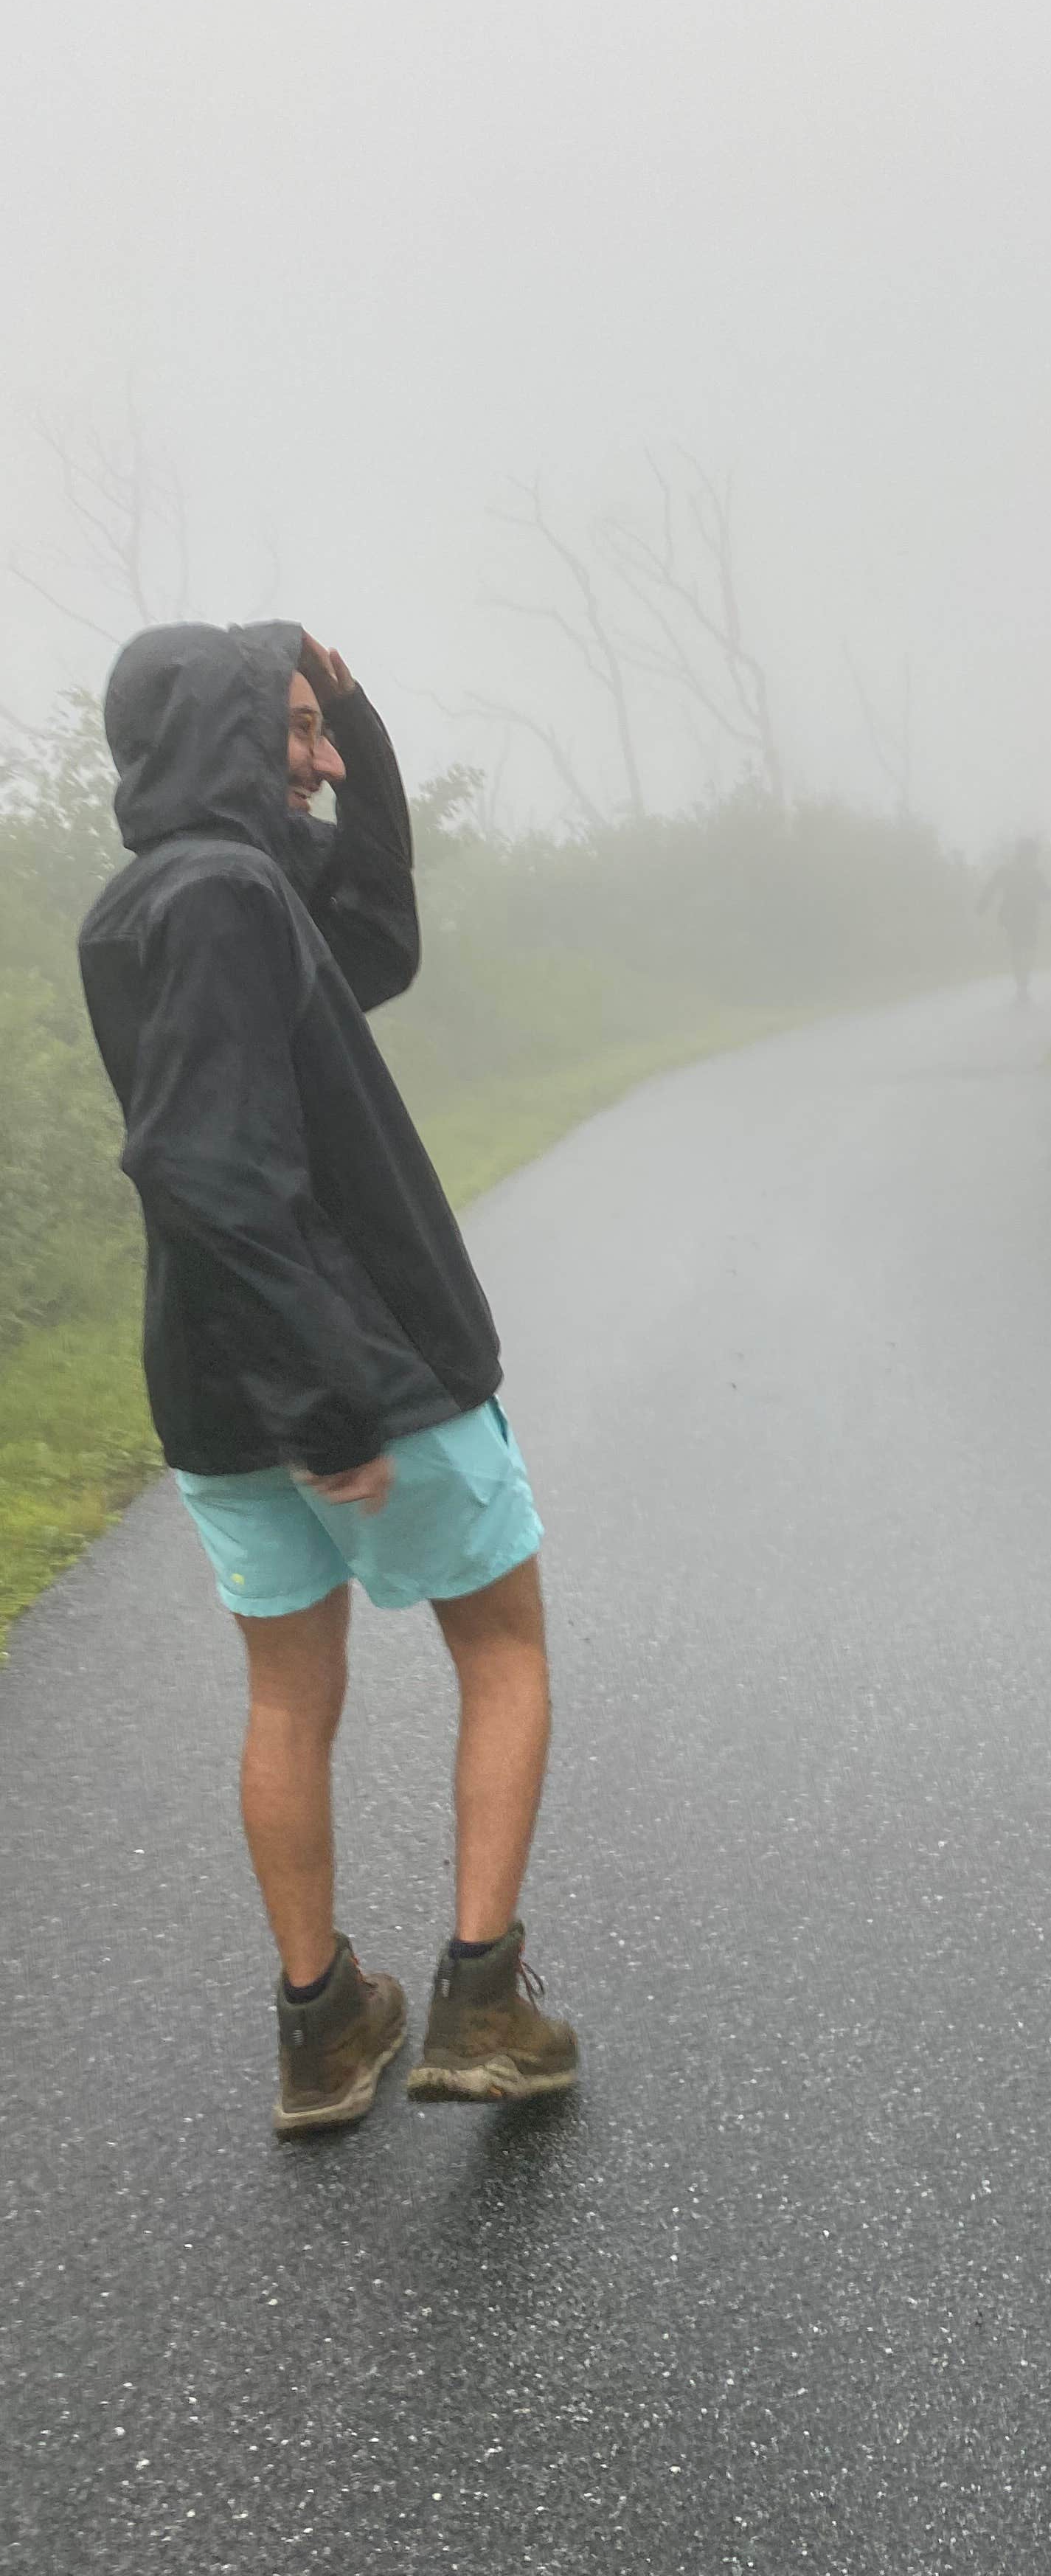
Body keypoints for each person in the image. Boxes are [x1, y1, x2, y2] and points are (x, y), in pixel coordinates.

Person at [77, 620, 577, 2136]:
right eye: (291, 728)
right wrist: (330, 1400)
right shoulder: (232, 898)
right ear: (221, 735)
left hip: (220, 1386)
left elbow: (379, 939)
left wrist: (366, 736)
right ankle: (482, 2005)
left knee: (288, 1696)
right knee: (503, 1652)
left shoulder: (155, 905)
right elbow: (204, 1164)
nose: (312, 756)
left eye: (317, 731)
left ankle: (326, 2028)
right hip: (359, 1372)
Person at [979, 836, 1051, 1003]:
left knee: (1017, 950)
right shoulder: (1034, 873)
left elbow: (992, 886)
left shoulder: (1007, 871)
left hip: (1012, 918)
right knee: (1027, 950)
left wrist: (983, 904)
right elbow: (1045, 893)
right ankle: (1023, 982)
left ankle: (1021, 983)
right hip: (1027, 917)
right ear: (1031, 854)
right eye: (1034, 854)